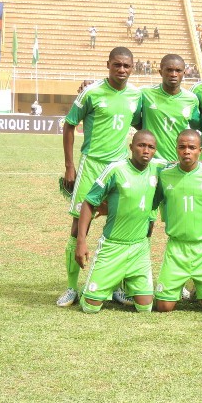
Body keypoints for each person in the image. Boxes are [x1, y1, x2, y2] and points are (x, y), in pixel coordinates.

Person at [57, 47, 142, 307]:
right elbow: (70, 125)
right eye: (117, 64)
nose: (122, 70)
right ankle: (72, 288)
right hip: (91, 165)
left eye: (127, 65)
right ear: (108, 65)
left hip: (119, 168)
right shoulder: (91, 92)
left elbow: (145, 125)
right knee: (77, 228)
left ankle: (116, 286)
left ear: (132, 67)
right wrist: (70, 166)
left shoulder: (137, 96)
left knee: (120, 225)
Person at [76, 130, 164, 313]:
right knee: (90, 308)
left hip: (139, 248)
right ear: (131, 147)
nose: (146, 150)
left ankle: (126, 282)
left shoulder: (158, 168)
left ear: (155, 150)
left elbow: (185, 164)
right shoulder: (116, 169)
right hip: (112, 247)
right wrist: (81, 241)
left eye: (150, 147)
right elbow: (89, 202)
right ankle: (104, 285)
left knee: (146, 307)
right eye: (141, 145)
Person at [152, 129, 202, 313]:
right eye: (182, 147)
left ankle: (199, 288)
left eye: (192, 147)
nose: (187, 151)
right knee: (163, 307)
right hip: (176, 248)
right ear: (176, 149)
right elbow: (152, 201)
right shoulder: (164, 174)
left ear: (200, 150)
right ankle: (178, 285)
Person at [138, 54, 201, 162]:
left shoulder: (191, 99)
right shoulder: (145, 94)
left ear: (184, 73)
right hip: (151, 162)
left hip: (177, 162)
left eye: (178, 70)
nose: (173, 74)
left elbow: (196, 126)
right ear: (160, 72)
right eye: (169, 70)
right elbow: (134, 120)